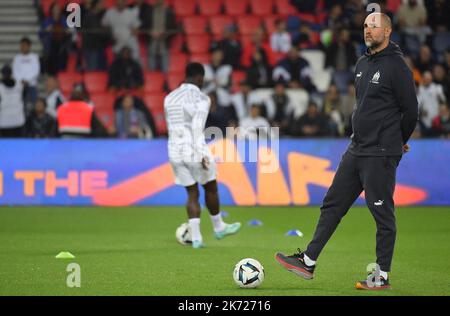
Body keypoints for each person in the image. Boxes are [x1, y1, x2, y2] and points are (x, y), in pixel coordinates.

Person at [275, 13, 419, 290]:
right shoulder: (362, 62)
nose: (368, 30)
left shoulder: (397, 65)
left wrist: (397, 141)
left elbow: (410, 110)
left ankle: (382, 276)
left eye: (374, 26)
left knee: (381, 212)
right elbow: (364, 105)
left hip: (380, 151)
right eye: (365, 25)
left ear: (387, 31)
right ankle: (308, 260)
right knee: (333, 204)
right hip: (356, 148)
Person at [164, 62, 241, 249]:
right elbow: (197, 128)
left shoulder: (170, 97)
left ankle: (197, 238)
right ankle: (218, 226)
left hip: (174, 149)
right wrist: (201, 154)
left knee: (192, 192)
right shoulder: (201, 98)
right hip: (193, 148)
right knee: (211, 187)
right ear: (200, 78)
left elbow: (170, 125)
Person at [12, 37, 40, 112]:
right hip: (20, 86)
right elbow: (15, 71)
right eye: (21, 45)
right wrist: (21, 80)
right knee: (21, 105)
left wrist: (27, 80)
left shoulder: (34, 57)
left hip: (31, 85)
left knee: (34, 103)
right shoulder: (17, 58)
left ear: (29, 46)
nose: (22, 47)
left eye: (24, 45)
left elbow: (36, 71)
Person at [0, 65, 25, 137]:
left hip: (4, 121)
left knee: (5, 145)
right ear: (11, 73)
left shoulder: (19, 85)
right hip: (17, 119)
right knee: (18, 144)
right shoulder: (20, 85)